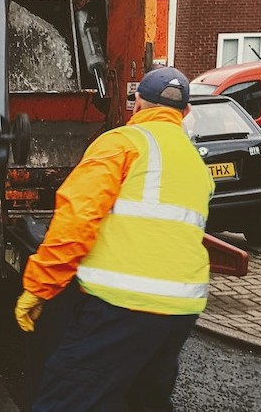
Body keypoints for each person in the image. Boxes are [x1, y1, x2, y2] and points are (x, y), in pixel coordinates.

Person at [15, 66, 214, 412]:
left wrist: (38, 287)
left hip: (122, 305)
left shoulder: (122, 143)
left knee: (67, 398)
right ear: (185, 113)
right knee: (144, 399)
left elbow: (76, 221)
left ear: (138, 105)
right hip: (182, 310)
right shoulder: (195, 163)